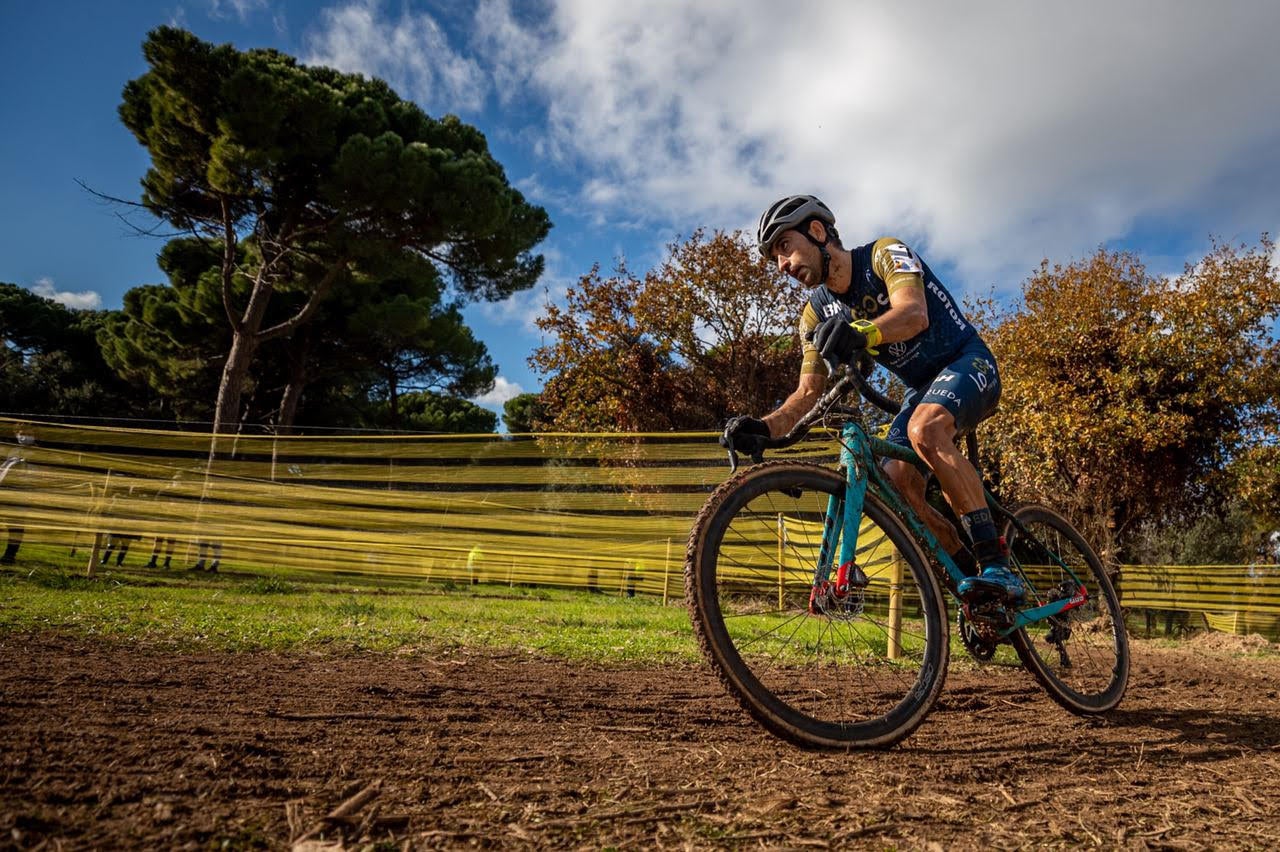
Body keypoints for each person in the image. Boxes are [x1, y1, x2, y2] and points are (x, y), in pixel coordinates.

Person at [721, 195, 1023, 604]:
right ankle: (973, 582)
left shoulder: (885, 253)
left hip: (967, 361)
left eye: (785, 247)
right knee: (895, 484)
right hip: (921, 390)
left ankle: (998, 566)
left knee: (925, 430)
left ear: (816, 231)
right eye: (775, 257)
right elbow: (807, 392)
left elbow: (914, 314)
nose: (782, 265)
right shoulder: (814, 314)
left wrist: (861, 332)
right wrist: (764, 428)